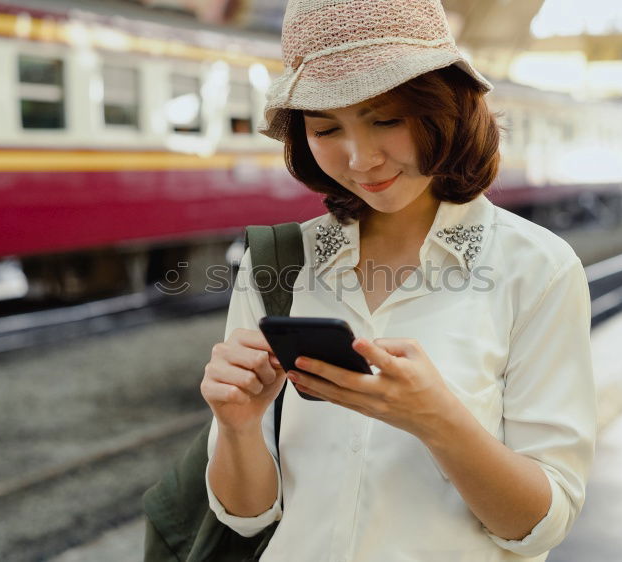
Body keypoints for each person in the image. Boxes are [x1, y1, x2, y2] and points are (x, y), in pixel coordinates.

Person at [199, 0, 596, 560]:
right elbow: (246, 517)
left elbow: (539, 524)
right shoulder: (280, 264)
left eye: (386, 119)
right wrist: (237, 426)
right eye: (326, 127)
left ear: (447, 108)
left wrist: (437, 420)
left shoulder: (539, 269)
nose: (361, 159)